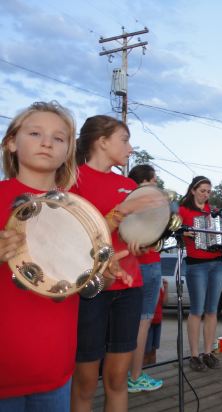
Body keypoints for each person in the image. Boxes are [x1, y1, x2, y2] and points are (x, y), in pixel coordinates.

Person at [0, 102, 128, 411]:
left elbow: (77, 276)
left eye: (59, 138)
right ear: (12, 143)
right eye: (35, 133)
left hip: (56, 369)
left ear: (69, 149)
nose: (47, 142)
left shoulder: (78, 210)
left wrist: (102, 272)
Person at [70, 115, 157, 411]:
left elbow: (137, 236)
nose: (130, 148)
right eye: (125, 139)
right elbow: (73, 239)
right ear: (102, 141)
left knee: (118, 379)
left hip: (129, 286)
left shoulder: (127, 183)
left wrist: (143, 243)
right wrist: (122, 211)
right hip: (89, 290)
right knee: (84, 380)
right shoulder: (72, 180)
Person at [178, 176, 222, 371]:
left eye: (208, 191)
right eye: (203, 190)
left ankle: (208, 352)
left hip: (217, 262)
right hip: (196, 264)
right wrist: (182, 232)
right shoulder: (182, 210)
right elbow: (171, 231)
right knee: (197, 309)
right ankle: (194, 355)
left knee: (212, 309)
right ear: (193, 190)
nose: (206, 194)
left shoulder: (213, 211)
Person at [126, 164, 164, 392]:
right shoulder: (143, 205)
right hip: (147, 265)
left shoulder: (129, 204)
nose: (156, 185)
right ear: (144, 183)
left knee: (137, 324)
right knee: (142, 323)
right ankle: (135, 376)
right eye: (153, 181)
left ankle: (129, 375)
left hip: (145, 264)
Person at [144, 279, 168, 366]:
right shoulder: (146, 289)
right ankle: (144, 372)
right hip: (148, 323)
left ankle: (153, 370)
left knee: (154, 350)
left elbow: (164, 302)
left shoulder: (158, 289)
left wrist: (166, 288)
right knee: (146, 351)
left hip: (158, 322)